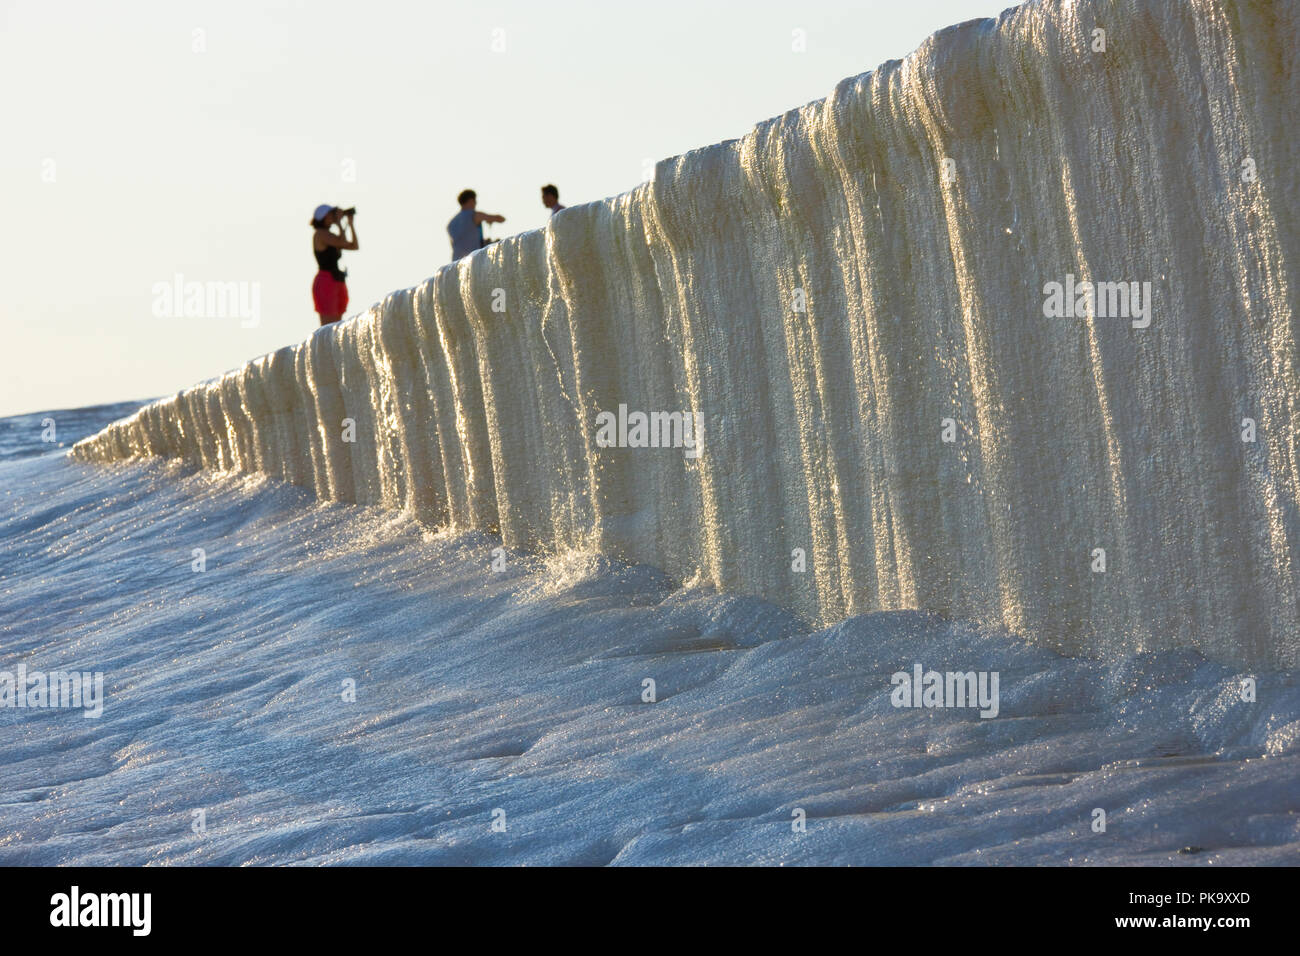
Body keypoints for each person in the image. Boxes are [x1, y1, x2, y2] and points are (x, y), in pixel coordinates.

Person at [311, 204, 358, 325]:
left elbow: (354, 246)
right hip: (326, 281)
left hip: (336, 279)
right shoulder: (320, 234)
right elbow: (341, 241)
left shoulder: (329, 235)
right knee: (328, 325)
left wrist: (350, 224)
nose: (333, 217)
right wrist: (339, 224)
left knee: (338, 324)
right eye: (331, 215)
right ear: (323, 218)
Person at [448, 189, 505, 261]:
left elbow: (463, 241)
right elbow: (501, 219)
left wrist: (484, 242)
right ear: (471, 200)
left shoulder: (451, 224)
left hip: (456, 263)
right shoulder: (475, 215)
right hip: (473, 261)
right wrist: (490, 219)